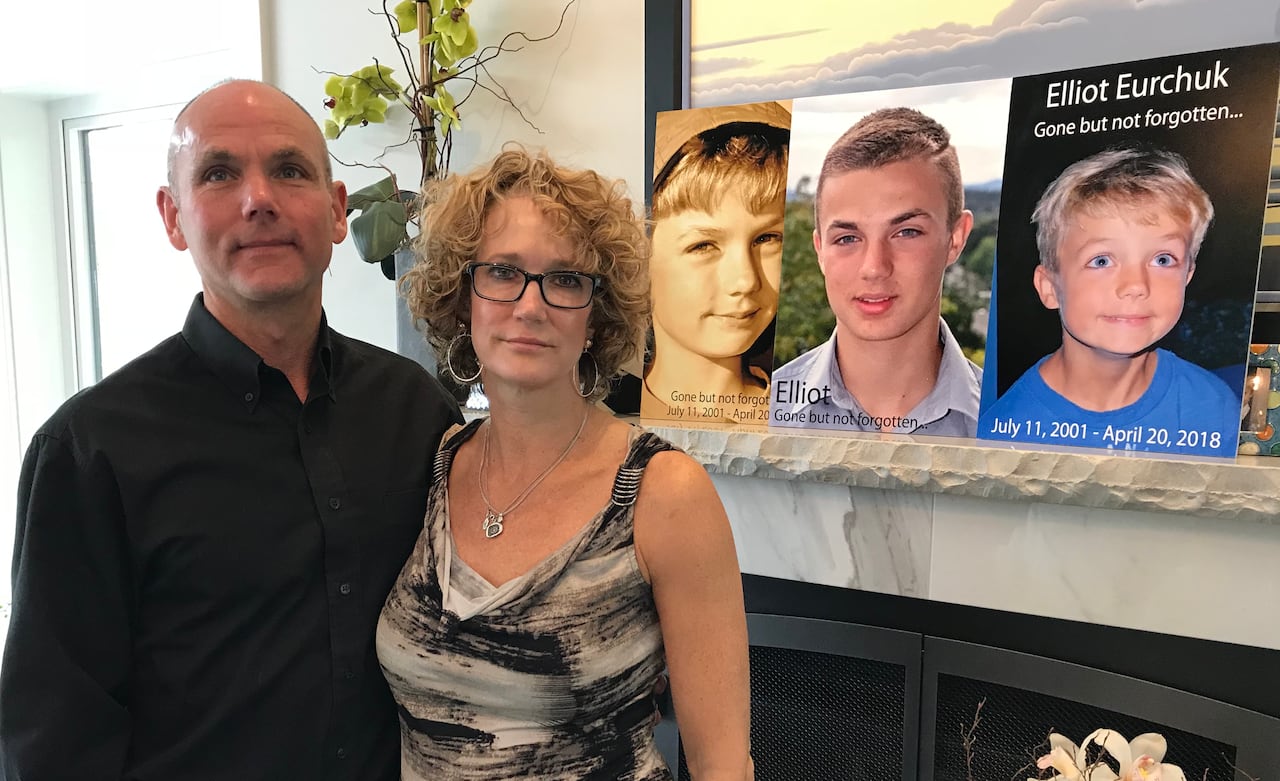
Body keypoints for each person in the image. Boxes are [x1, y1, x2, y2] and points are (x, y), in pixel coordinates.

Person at [0, 80, 462, 779]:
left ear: (338, 212)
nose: (259, 198)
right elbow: (54, 740)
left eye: (289, 169)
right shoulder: (90, 451)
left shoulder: (416, 411)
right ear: (173, 216)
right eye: (219, 173)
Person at [381, 147, 752, 780]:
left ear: (595, 316)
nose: (530, 306)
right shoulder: (437, 463)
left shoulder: (663, 494)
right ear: (461, 294)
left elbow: (723, 765)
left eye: (566, 279)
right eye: (502, 271)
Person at [979, 145, 1239, 457]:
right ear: (1049, 288)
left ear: (1188, 275)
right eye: (1101, 261)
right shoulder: (1003, 432)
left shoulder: (1216, 410)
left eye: (1163, 259)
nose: (1135, 286)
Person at [771, 107, 980, 435]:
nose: (873, 267)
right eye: (848, 238)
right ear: (820, 250)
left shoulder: (1014, 425)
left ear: (955, 238)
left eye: (906, 232)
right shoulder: (756, 415)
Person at [643, 102, 789, 426]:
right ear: (639, 259)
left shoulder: (819, 418)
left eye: (767, 239)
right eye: (703, 245)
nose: (745, 280)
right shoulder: (601, 426)